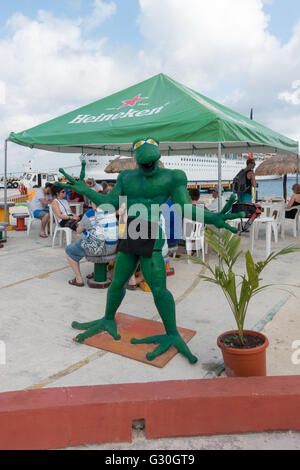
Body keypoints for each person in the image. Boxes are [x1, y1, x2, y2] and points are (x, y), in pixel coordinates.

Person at [65, 202, 119, 286]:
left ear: (94, 203)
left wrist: (78, 225)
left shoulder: (90, 213)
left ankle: (78, 279)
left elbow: (79, 230)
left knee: (69, 251)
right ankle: (100, 271)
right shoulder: (111, 212)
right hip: (112, 248)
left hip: (99, 248)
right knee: (92, 236)